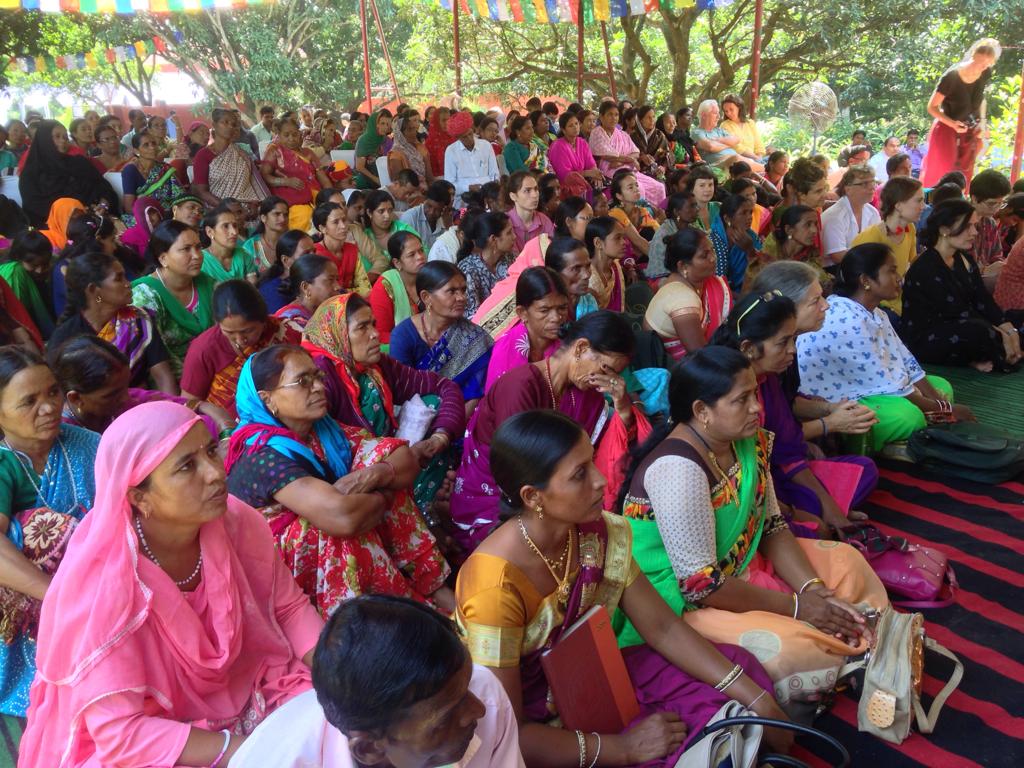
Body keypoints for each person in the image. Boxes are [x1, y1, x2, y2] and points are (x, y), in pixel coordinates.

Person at [457, 409, 788, 766]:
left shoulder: (596, 532)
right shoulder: (492, 586)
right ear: (533, 497)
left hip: (593, 680)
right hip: (538, 727)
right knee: (680, 744)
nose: (601, 481)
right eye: (580, 475)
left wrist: (754, 698)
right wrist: (623, 748)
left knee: (736, 673)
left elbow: (662, 628)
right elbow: (506, 731)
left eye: (592, 462)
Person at [19, 400, 324, 766]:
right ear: (139, 498)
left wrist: (335, 672)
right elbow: (123, 735)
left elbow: (287, 607)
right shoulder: (105, 585)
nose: (215, 473)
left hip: (252, 683)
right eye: (186, 467)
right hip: (155, 731)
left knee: (336, 725)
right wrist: (250, 752)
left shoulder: (236, 521)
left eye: (211, 451)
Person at [617, 347, 887, 714]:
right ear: (701, 412)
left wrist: (814, 592)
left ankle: (845, 637)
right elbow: (702, 585)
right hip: (682, 605)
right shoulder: (678, 469)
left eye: (754, 395)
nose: (757, 408)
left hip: (743, 571)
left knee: (846, 560)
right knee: (790, 648)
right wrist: (797, 607)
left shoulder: (745, 441)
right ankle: (847, 643)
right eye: (741, 399)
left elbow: (773, 526)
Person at [224, 345, 452, 616]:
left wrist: (375, 475)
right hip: (277, 569)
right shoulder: (259, 453)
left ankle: (433, 588)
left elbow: (403, 457)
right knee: (327, 529)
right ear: (267, 399)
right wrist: (385, 493)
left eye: (317, 377)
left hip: (345, 526)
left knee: (378, 468)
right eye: (302, 382)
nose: (319, 387)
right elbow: (342, 519)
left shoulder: (322, 430)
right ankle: (376, 617)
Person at [232, 595, 525, 768]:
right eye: (444, 718)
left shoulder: (484, 692)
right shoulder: (278, 759)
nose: (478, 710)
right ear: (369, 750)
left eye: (466, 686)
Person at [451, 312, 649, 550]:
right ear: (581, 348)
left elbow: (608, 454)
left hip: (557, 491)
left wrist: (623, 406)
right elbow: (517, 468)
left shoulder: (587, 397)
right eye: (605, 368)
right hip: (504, 497)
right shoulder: (520, 386)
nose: (607, 378)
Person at [711, 292, 879, 538]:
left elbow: (787, 451)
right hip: (738, 493)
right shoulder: (722, 389)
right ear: (748, 348)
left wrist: (831, 508)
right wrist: (790, 512)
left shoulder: (767, 380)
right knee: (811, 529)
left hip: (770, 476)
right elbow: (733, 474)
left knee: (863, 470)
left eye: (794, 340)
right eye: (783, 343)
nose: (792, 351)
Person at [0, 347, 100, 717]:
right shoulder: (4, 463)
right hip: (38, 595)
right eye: (29, 401)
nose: (48, 408)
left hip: (102, 576)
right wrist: (57, 596)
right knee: (40, 529)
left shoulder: (87, 444)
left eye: (53, 392)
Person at [302, 293, 465, 517]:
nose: (375, 335)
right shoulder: (322, 380)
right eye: (362, 328)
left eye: (374, 325)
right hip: (352, 482)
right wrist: (394, 461)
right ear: (337, 335)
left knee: (432, 404)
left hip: (389, 464)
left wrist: (440, 437)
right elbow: (328, 455)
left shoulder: (375, 367)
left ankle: (428, 512)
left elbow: (444, 387)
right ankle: (422, 515)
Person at [798, 244, 971, 452]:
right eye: (891, 271)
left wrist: (938, 402)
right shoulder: (846, 319)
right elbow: (889, 384)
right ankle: (870, 441)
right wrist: (945, 409)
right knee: (908, 417)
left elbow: (905, 359)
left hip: (875, 386)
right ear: (865, 281)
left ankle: (924, 424)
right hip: (838, 400)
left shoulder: (875, 312)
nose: (899, 278)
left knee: (941, 386)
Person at [903, 198, 1023, 372]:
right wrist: (1001, 333)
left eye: (975, 226)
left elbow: (983, 300)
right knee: (980, 331)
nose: (974, 232)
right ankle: (993, 353)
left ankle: (995, 352)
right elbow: (955, 311)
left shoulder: (964, 259)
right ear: (944, 229)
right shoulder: (925, 267)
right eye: (968, 226)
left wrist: (1007, 328)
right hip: (930, 336)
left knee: (1014, 322)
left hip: (963, 321)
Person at [49, 252, 177, 393]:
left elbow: (163, 376)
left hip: (142, 404)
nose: (128, 284)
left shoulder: (139, 319)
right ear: (93, 290)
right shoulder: (65, 340)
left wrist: (173, 409)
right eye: (119, 279)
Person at [181, 280, 301, 419]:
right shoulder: (204, 350)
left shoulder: (285, 333)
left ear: (263, 319)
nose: (239, 339)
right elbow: (189, 404)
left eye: (248, 331)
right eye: (229, 332)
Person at [389, 261, 493, 418]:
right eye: (451, 291)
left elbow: (476, 394)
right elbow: (402, 391)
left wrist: (448, 430)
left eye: (463, 290)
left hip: (462, 421)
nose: (462, 298)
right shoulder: (403, 336)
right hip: (414, 422)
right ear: (426, 297)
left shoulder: (476, 338)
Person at [132, 220, 217, 376]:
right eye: (186, 249)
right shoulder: (146, 297)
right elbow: (156, 360)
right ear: (163, 258)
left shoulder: (207, 284)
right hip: (174, 380)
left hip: (214, 368)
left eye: (198, 247)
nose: (197, 256)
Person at [920, 38, 1000, 188]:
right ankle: (930, 207)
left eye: (986, 65)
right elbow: (932, 107)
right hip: (947, 129)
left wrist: (982, 122)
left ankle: (959, 208)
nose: (982, 68)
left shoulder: (985, 73)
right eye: (980, 63)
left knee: (964, 175)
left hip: (970, 130)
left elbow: (981, 99)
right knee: (940, 175)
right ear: (973, 56)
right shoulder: (951, 77)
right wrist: (952, 124)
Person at [645, 228, 730, 360]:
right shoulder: (681, 298)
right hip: (669, 368)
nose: (713, 258)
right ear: (683, 266)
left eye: (712, 250)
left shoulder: (704, 283)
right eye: (704, 255)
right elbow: (700, 355)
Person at [18, 119, 118, 228]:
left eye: (65, 137)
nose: (63, 140)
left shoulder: (79, 162)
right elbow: (35, 208)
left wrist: (104, 204)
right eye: (57, 136)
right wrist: (75, 214)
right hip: (60, 228)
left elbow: (104, 188)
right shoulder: (31, 174)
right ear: (44, 140)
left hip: (97, 219)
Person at [484, 266, 569, 391]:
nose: (556, 317)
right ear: (522, 312)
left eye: (562, 308)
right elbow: (505, 405)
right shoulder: (506, 353)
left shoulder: (569, 344)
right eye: (544, 310)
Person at [851, 176, 924, 312]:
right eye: (918, 201)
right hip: (876, 307)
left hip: (899, 301)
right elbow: (857, 285)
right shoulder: (871, 237)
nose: (923, 207)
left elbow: (912, 265)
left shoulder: (910, 229)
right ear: (898, 205)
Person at [260, 117, 333, 231]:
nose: (291, 139)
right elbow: (264, 175)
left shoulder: (308, 153)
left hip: (315, 200)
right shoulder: (274, 150)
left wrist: (331, 198)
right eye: (286, 135)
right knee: (305, 215)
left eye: (294, 134)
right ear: (279, 135)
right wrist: (285, 181)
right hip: (291, 206)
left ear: (300, 134)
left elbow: (323, 179)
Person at [588, 102, 666, 208]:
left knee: (659, 187)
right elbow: (607, 155)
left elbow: (636, 152)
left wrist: (623, 161)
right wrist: (630, 160)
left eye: (616, 115)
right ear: (601, 117)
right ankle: (639, 219)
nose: (614, 118)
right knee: (639, 189)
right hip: (610, 172)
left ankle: (655, 218)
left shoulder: (622, 134)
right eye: (610, 114)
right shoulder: (597, 133)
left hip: (628, 169)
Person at [192, 108, 270, 210]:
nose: (230, 127)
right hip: (219, 210)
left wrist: (253, 205)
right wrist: (229, 208)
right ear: (214, 125)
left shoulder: (242, 154)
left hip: (247, 210)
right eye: (225, 122)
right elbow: (202, 192)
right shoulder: (203, 155)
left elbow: (251, 186)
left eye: (234, 124)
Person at [368, 230, 427, 351]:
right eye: (412, 255)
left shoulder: (430, 278)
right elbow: (381, 334)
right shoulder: (385, 286)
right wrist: (418, 341)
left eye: (421, 250)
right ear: (397, 263)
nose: (420, 257)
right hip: (400, 348)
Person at [458, 211, 516, 320]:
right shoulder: (467, 269)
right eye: (509, 233)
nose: (514, 236)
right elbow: (472, 316)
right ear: (493, 239)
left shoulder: (510, 259)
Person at [1, 230, 57, 340]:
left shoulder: (55, 263)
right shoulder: (14, 273)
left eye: (45, 264)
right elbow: (17, 318)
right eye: (34, 265)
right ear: (18, 259)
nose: (40, 270)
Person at [821, 164, 881, 265]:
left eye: (873, 182)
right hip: (835, 272)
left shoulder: (872, 212)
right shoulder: (834, 217)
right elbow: (838, 256)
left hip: (863, 268)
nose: (872, 188)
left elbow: (879, 243)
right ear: (848, 189)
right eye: (865, 184)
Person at [311, 201, 373, 295]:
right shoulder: (314, 253)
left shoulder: (352, 250)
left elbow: (366, 289)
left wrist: (343, 292)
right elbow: (321, 293)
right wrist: (352, 292)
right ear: (323, 228)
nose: (343, 226)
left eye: (344, 220)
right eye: (336, 222)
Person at [120, 131, 186, 218]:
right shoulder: (130, 170)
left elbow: (181, 196)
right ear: (136, 151)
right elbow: (129, 208)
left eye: (154, 143)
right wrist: (152, 216)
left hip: (170, 213)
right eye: (146, 145)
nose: (152, 147)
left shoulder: (165, 169)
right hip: (145, 216)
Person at [547, 111, 604, 202]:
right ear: (563, 129)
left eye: (576, 124)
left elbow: (591, 164)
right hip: (566, 188)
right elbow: (565, 176)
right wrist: (588, 173)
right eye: (571, 125)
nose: (575, 127)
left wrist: (595, 175)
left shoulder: (582, 142)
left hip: (582, 184)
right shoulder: (558, 145)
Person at [709, 192, 760, 291]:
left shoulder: (751, 237)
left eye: (750, 212)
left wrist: (750, 250)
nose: (750, 217)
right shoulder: (714, 243)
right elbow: (718, 287)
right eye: (743, 213)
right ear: (727, 218)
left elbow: (762, 271)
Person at [274, 253, 341, 328]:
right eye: (330, 280)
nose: (338, 287)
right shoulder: (293, 323)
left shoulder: (324, 310)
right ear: (305, 287)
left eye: (337, 279)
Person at [200, 203, 259, 285]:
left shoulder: (244, 254)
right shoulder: (200, 261)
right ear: (210, 232)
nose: (234, 232)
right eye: (226, 226)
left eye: (235, 226)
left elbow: (253, 288)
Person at [647, 191, 699, 283]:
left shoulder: (692, 228)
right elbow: (663, 271)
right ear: (677, 212)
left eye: (696, 205)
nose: (697, 209)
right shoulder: (664, 233)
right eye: (692, 206)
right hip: (664, 279)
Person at [545, 234, 599, 320]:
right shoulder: (544, 310)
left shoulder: (589, 301)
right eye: (576, 269)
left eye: (588, 266)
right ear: (554, 273)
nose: (587, 275)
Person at [968, 168, 1012, 270]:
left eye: (1001, 204)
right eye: (991, 204)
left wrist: (998, 264)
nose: (996, 209)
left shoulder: (989, 222)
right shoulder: (959, 222)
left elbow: (997, 254)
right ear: (974, 199)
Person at [585, 215, 628, 312]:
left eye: (623, 237)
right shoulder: (587, 275)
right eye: (617, 238)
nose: (624, 242)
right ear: (598, 243)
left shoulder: (615, 267)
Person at [505, 171, 555, 253]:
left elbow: (551, 252)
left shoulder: (544, 221)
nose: (535, 195)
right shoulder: (505, 223)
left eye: (536, 189)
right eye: (527, 191)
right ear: (513, 196)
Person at [400, 179, 453, 252]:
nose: (431, 212)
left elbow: (451, 248)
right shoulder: (410, 217)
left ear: (444, 209)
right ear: (424, 200)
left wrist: (448, 225)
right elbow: (405, 249)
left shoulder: (446, 219)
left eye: (437, 209)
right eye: (429, 206)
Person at [242, 195, 290, 276]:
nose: (283, 219)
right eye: (277, 214)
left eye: (285, 215)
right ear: (263, 218)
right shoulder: (250, 247)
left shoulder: (292, 242)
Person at [388, 110, 433, 185]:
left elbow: (429, 177)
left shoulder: (420, 148)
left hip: (425, 187)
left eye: (414, 129)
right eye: (409, 129)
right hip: (409, 192)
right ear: (400, 134)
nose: (414, 132)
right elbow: (400, 184)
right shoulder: (395, 155)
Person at [719, 94, 766, 163]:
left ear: (739, 107)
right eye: (726, 111)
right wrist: (755, 158)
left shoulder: (750, 123)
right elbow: (736, 147)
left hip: (756, 160)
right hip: (738, 162)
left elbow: (758, 144)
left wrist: (759, 157)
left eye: (731, 109)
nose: (728, 113)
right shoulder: (725, 125)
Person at [353, 109, 393, 189]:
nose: (385, 127)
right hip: (366, 181)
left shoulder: (384, 139)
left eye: (388, 124)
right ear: (375, 123)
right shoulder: (364, 140)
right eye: (382, 123)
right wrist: (377, 180)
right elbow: (359, 167)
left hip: (382, 178)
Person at [629, 105, 669, 178]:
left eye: (653, 117)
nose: (652, 120)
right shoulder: (632, 136)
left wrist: (663, 167)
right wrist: (641, 157)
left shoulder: (660, 136)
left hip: (656, 173)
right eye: (648, 117)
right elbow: (627, 155)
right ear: (641, 119)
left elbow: (667, 155)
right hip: (636, 173)